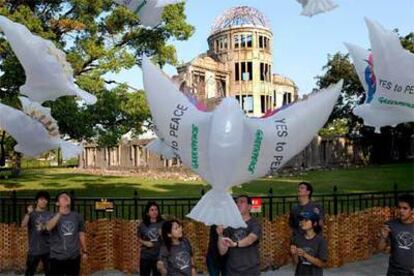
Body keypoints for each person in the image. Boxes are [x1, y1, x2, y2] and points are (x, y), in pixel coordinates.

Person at [217, 195, 261, 276]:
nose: (238, 204)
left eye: (242, 202)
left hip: (251, 271)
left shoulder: (254, 224)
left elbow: (250, 240)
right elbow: (222, 251)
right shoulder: (229, 226)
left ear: (249, 207)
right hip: (232, 271)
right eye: (236, 202)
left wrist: (235, 244)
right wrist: (220, 234)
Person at [46, 191, 87, 276]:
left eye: (67, 196)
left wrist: (85, 251)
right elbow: (48, 227)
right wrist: (60, 213)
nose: (66, 197)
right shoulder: (52, 216)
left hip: (74, 256)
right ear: (57, 203)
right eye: (62, 196)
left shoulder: (77, 216)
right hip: (57, 257)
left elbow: (81, 234)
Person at [379, 194, 414, 275]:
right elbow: (380, 249)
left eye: (405, 208)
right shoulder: (390, 225)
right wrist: (383, 237)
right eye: (399, 207)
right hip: (394, 271)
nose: (401, 211)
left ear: (412, 210)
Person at [21, 191, 53, 276]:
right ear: (36, 201)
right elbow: (23, 225)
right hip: (34, 249)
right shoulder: (31, 214)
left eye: (46, 199)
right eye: (41, 199)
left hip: (48, 249)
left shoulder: (50, 214)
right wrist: (28, 213)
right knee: (29, 273)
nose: (44, 201)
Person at [290, 211, 328, 276]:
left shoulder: (321, 241)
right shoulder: (296, 239)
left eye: (306, 220)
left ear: (315, 223)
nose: (303, 222)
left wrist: (305, 255)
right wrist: (294, 254)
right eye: (302, 220)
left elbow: (322, 264)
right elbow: (295, 262)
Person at [138, 201, 164, 276]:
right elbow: (138, 237)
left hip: (159, 257)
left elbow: (168, 239)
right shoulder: (143, 225)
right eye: (151, 210)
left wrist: (162, 234)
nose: (154, 212)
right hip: (146, 256)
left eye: (156, 209)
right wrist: (145, 243)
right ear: (147, 213)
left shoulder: (163, 223)